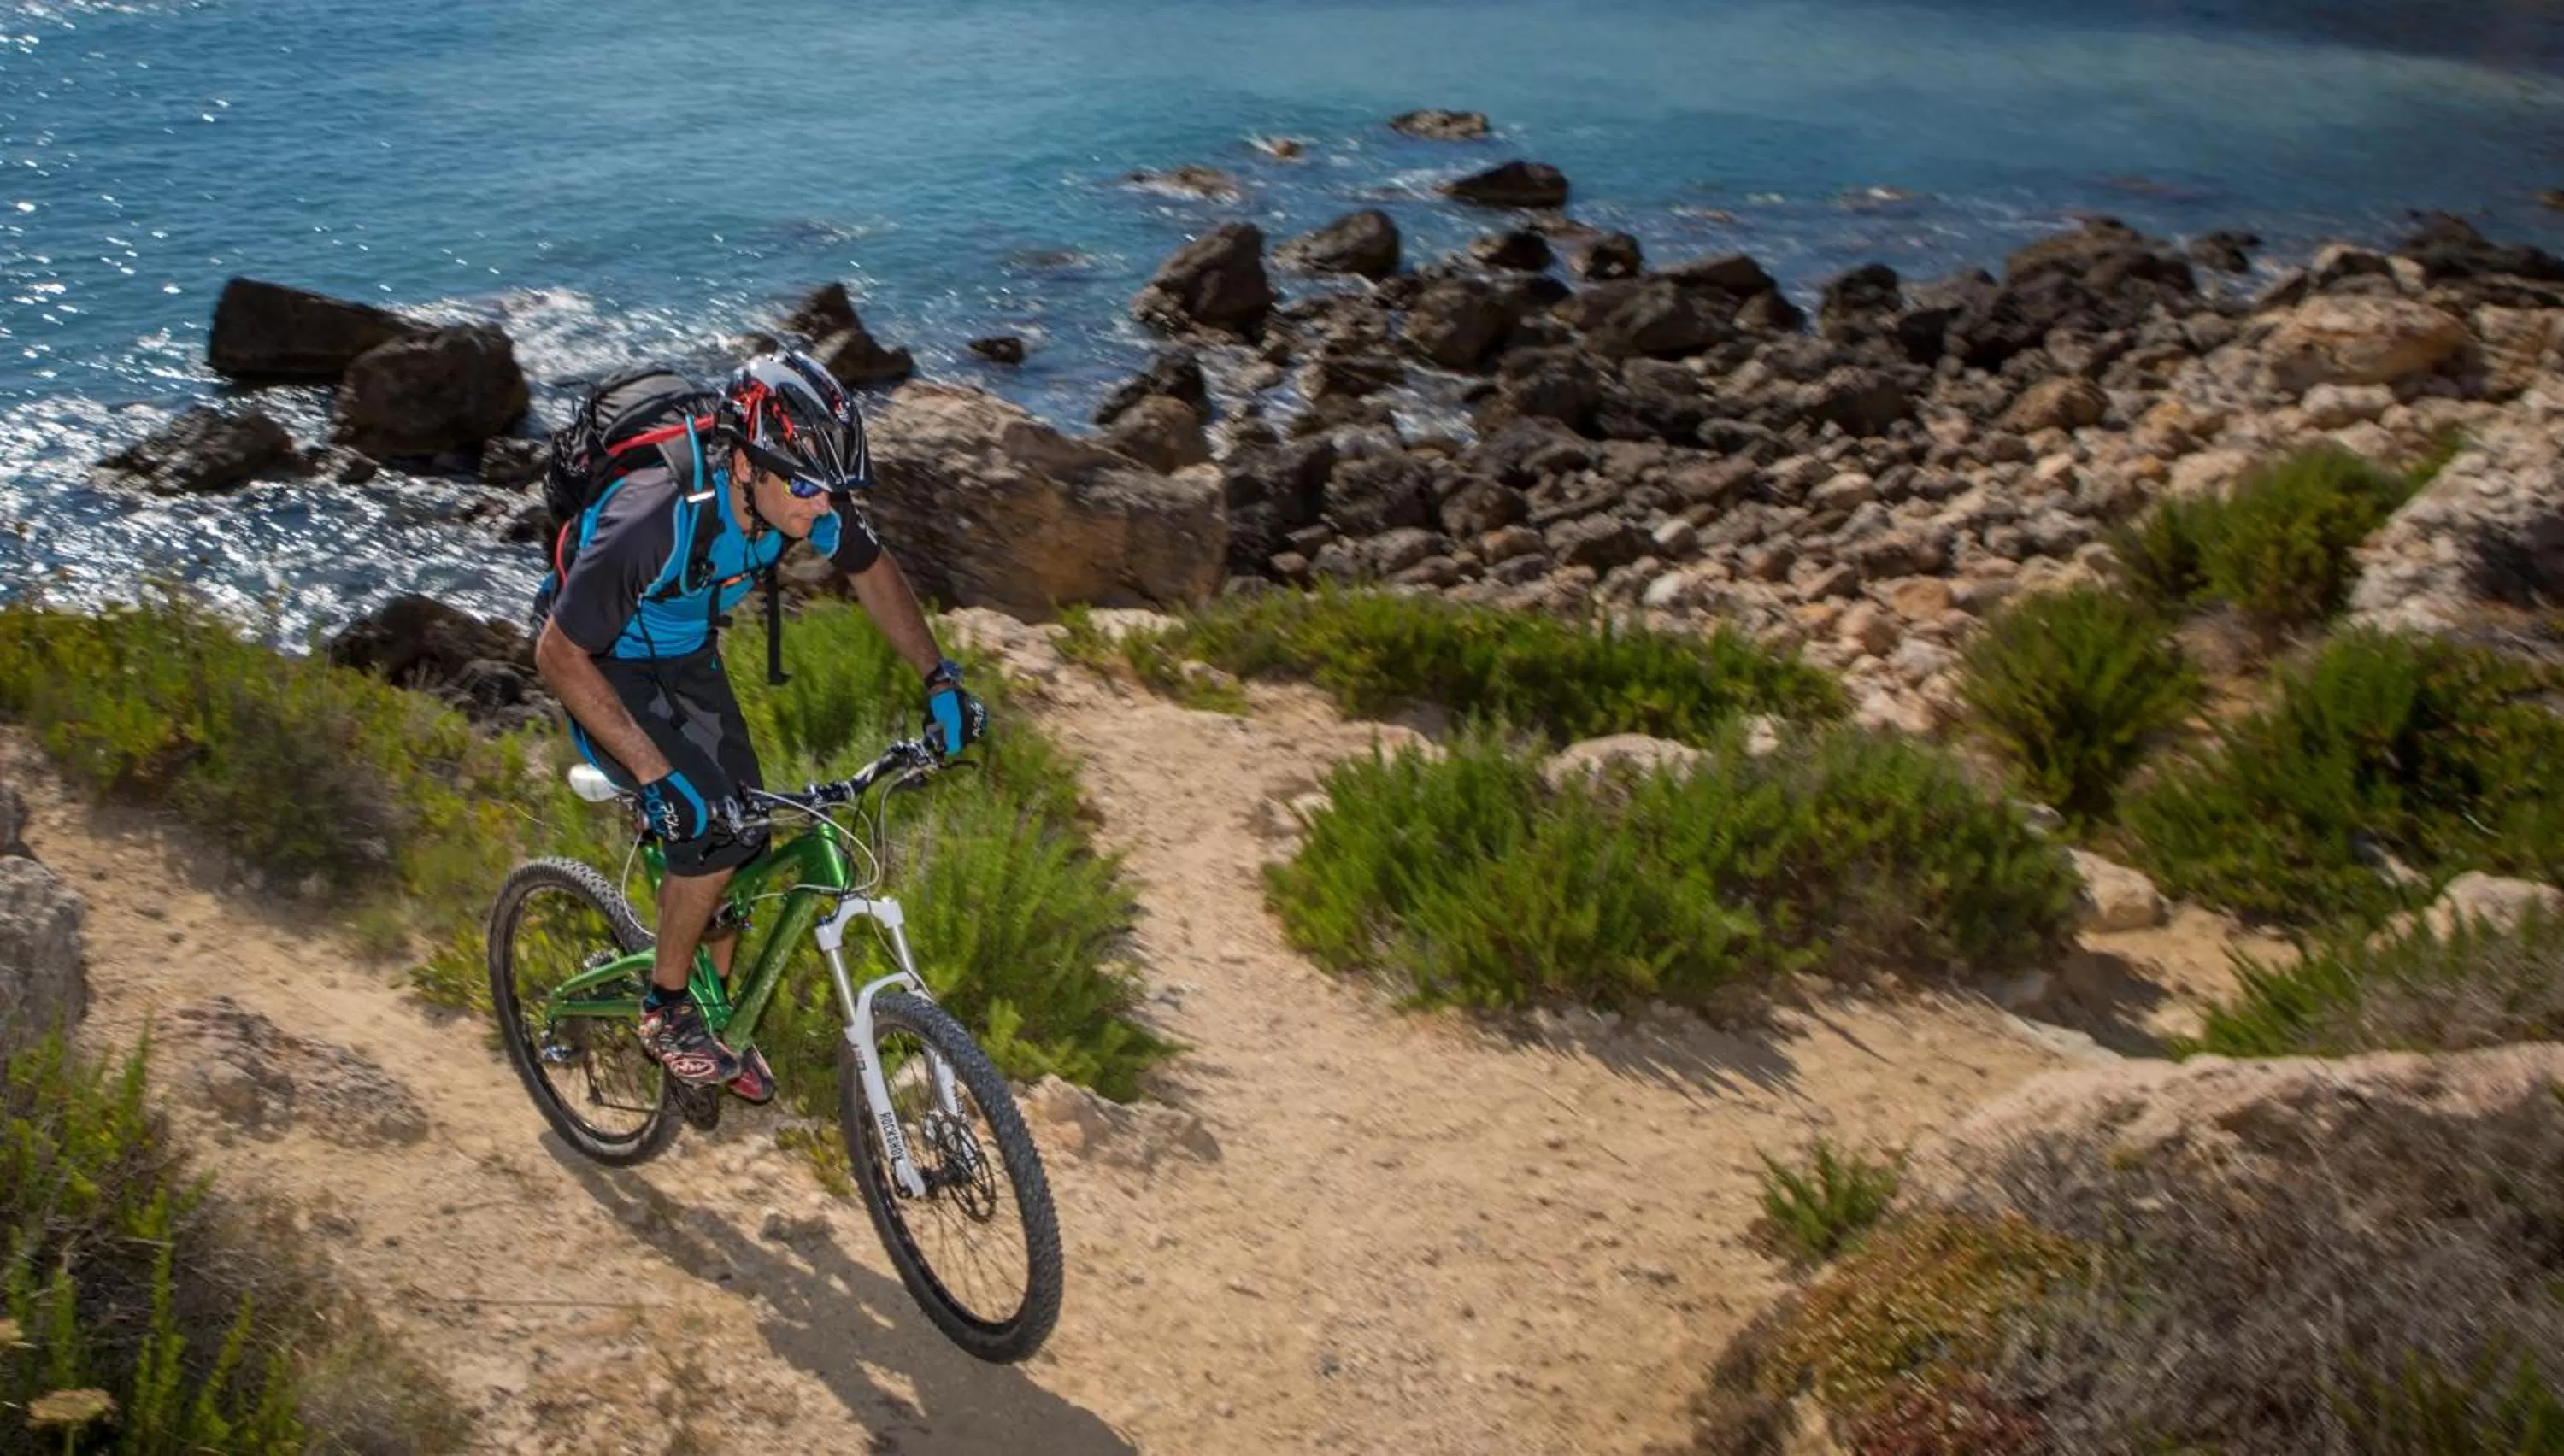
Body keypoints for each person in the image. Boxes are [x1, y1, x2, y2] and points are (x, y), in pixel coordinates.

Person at [532, 350, 984, 1097]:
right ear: (745, 464)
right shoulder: (655, 514)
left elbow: (872, 569)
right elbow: (558, 654)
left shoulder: (805, 496)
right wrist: (655, 775)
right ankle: (668, 1009)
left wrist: (940, 678)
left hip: (685, 657)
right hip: (596, 660)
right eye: (805, 486)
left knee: (746, 834)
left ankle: (717, 1018)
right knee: (707, 831)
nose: (822, 508)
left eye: (834, 489)